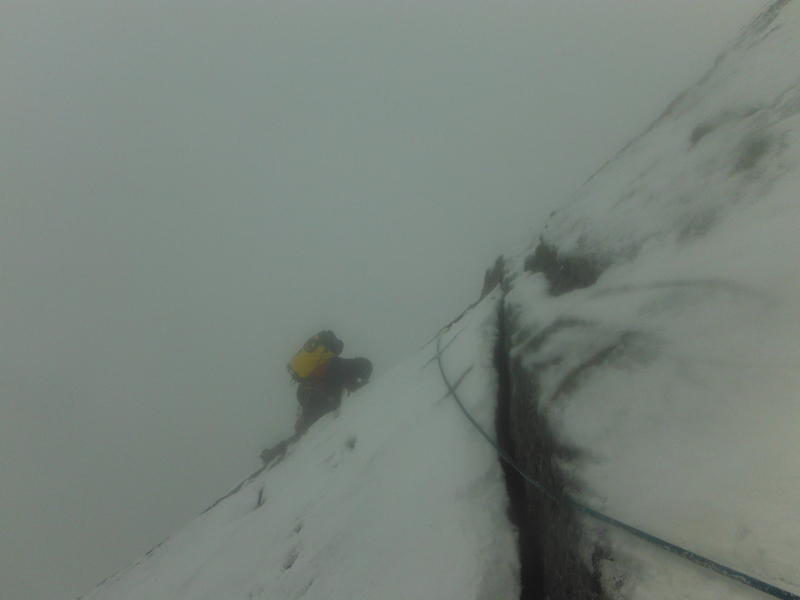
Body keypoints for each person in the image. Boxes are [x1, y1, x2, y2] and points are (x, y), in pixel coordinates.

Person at [288, 331, 372, 435]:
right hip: (309, 394)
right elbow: (334, 401)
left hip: (307, 393)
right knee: (327, 409)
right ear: (357, 372)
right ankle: (302, 431)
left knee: (309, 425)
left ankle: (301, 430)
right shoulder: (338, 366)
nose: (358, 383)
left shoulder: (338, 365)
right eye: (360, 379)